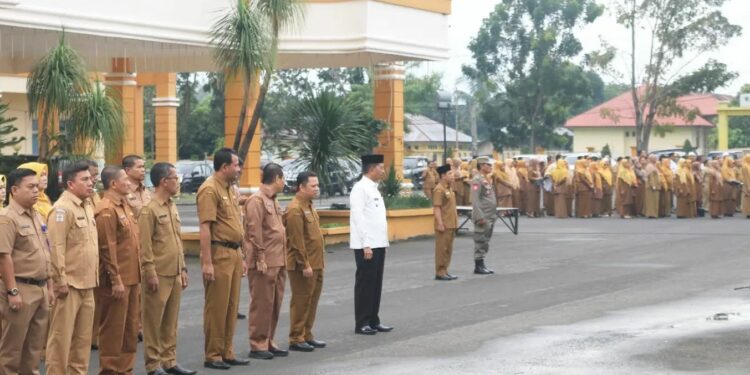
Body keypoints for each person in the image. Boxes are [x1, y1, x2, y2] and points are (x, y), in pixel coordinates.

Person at [139, 163, 194, 375]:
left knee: (171, 321)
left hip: (174, 272)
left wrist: (183, 268)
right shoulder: (149, 209)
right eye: (175, 178)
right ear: (164, 181)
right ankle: (153, 365)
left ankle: (169, 360)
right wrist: (150, 272)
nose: (178, 182)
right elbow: (145, 246)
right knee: (153, 322)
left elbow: (176, 241)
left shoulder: (171, 205)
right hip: (158, 274)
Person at [196, 148, 249, 370]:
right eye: (236, 165)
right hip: (219, 254)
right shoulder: (209, 190)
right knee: (216, 307)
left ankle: (227, 350)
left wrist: (243, 255)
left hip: (234, 253)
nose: (239, 169)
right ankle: (213, 354)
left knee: (231, 306)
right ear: (224, 167)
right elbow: (205, 228)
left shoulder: (229, 189)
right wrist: (207, 262)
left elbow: (236, 224)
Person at [46, 161, 98, 375]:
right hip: (69, 286)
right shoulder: (62, 209)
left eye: (90, 178)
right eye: (84, 179)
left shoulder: (87, 205)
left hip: (87, 284)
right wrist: (60, 281)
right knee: (61, 340)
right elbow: (56, 248)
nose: (91, 182)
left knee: (82, 342)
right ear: (70, 184)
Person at [0, 168, 53, 374]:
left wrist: (48, 286)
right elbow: (4, 257)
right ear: (14, 190)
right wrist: (12, 291)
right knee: (11, 351)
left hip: (39, 289)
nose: (36, 191)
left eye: (37, 186)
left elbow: (45, 252)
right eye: (30, 187)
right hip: (20, 289)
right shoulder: (7, 218)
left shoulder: (37, 215)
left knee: (33, 351)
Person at [94, 166, 141, 375]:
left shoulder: (125, 206)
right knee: (113, 330)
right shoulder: (106, 210)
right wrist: (115, 279)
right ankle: (110, 370)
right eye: (125, 179)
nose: (129, 182)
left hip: (132, 277)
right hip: (117, 280)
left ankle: (125, 370)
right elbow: (107, 248)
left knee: (130, 331)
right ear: (113, 184)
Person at [245, 163, 288, 360]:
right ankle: (257, 343)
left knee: (274, 303)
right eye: (283, 178)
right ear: (277, 178)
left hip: (278, 260)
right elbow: (254, 232)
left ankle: (269, 339)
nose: (285, 182)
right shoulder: (256, 201)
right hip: (264, 261)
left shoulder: (273, 200)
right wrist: (260, 257)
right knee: (261, 303)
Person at [350, 154, 393, 336]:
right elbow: (358, 219)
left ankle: (374, 319)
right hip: (366, 245)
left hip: (378, 243)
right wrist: (366, 244)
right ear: (371, 168)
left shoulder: (374, 188)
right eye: (380, 167)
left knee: (376, 283)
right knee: (365, 284)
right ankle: (362, 322)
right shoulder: (360, 189)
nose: (383, 171)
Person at [284, 171, 326, 353]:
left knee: (312, 301)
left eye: (317, 185)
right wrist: (305, 264)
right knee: (301, 300)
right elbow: (297, 240)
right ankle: (296, 337)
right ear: (301, 187)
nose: (317, 189)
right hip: (303, 265)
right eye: (313, 186)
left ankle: (307, 334)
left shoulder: (309, 205)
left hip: (317, 262)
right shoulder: (295, 209)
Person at [433, 165, 458, 281]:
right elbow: (437, 207)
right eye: (450, 174)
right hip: (444, 224)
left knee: (448, 249)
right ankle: (440, 271)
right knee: (442, 249)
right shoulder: (439, 189)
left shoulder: (449, 188)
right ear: (443, 176)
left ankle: (445, 270)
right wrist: (440, 223)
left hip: (451, 223)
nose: (452, 176)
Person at [471, 157, 496, 275]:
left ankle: (482, 263)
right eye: (488, 165)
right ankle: (478, 265)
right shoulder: (477, 180)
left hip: (489, 214)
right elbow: (475, 200)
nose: (490, 167)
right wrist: (479, 216)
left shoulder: (485, 179)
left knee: (485, 239)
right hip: (483, 215)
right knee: (480, 239)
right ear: (481, 166)